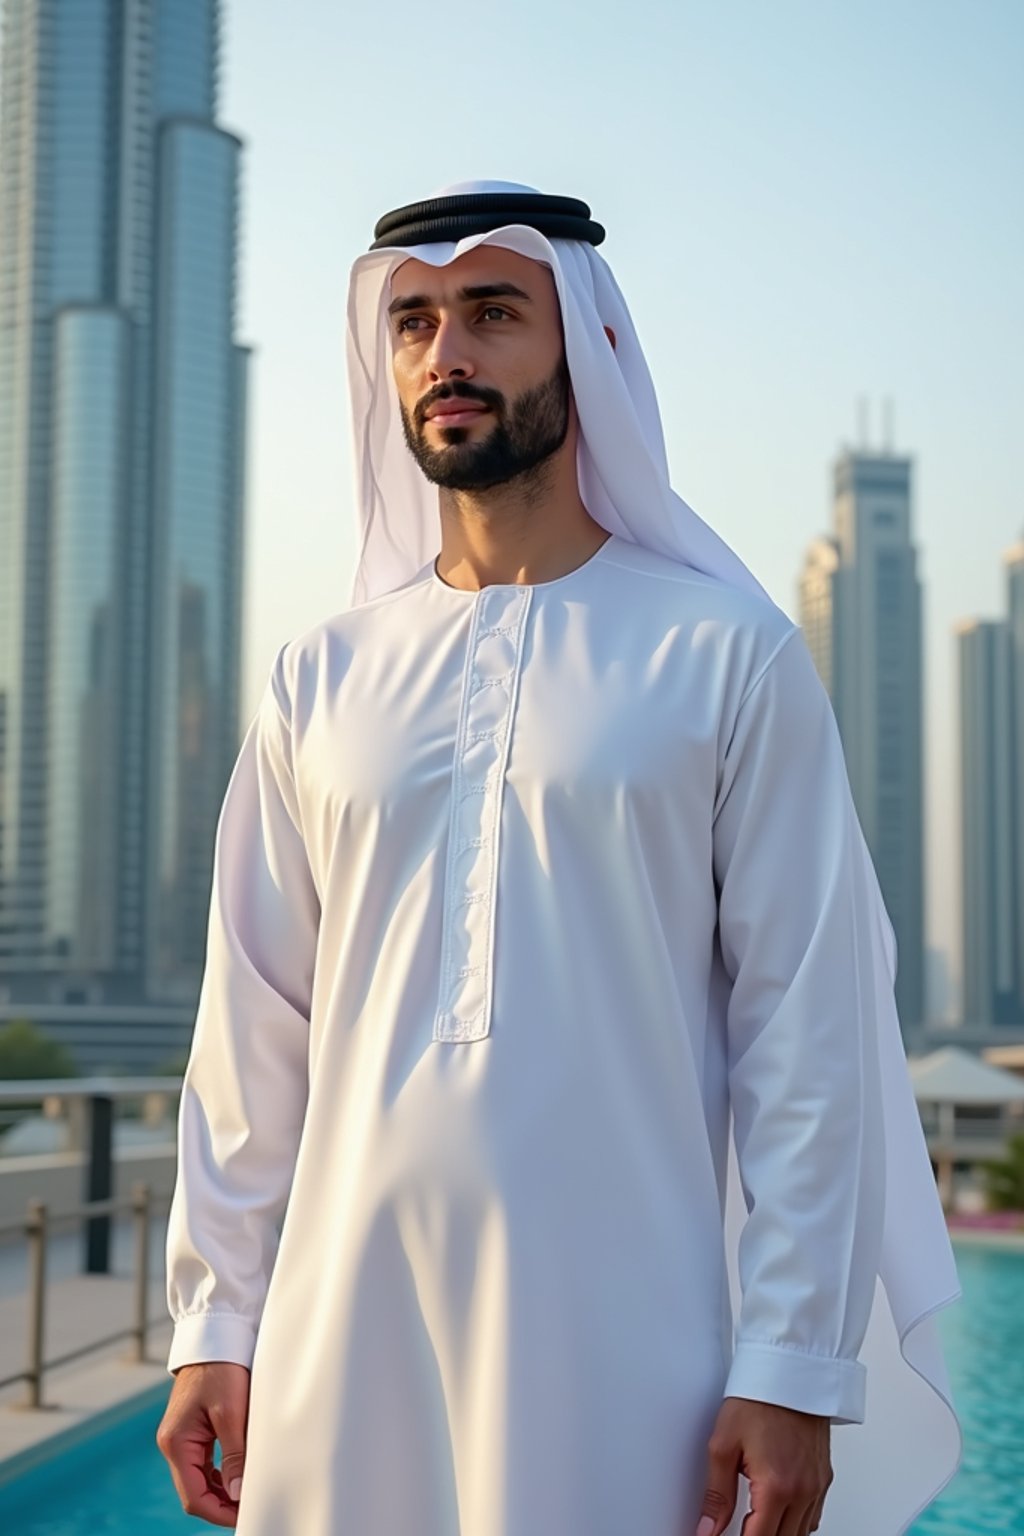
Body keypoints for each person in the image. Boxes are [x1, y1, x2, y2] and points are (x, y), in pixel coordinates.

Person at [157, 182, 962, 1536]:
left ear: (581, 345)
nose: (446, 353)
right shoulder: (319, 679)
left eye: (491, 313)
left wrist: (795, 1366)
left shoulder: (724, 654)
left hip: (631, 1350)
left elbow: (805, 1029)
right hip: (341, 1343)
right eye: (411, 322)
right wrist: (213, 1316)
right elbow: (252, 1031)